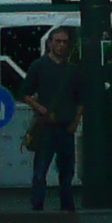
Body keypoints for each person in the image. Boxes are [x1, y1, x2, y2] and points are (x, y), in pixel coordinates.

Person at [25, 27, 82, 213]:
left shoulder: (73, 70)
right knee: (40, 170)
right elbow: (25, 93)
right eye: (58, 41)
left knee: (67, 172)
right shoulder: (39, 66)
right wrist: (40, 108)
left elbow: (81, 99)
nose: (61, 45)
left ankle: (67, 206)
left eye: (64, 42)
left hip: (66, 126)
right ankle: (37, 206)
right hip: (46, 126)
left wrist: (75, 122)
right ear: (50, 43)